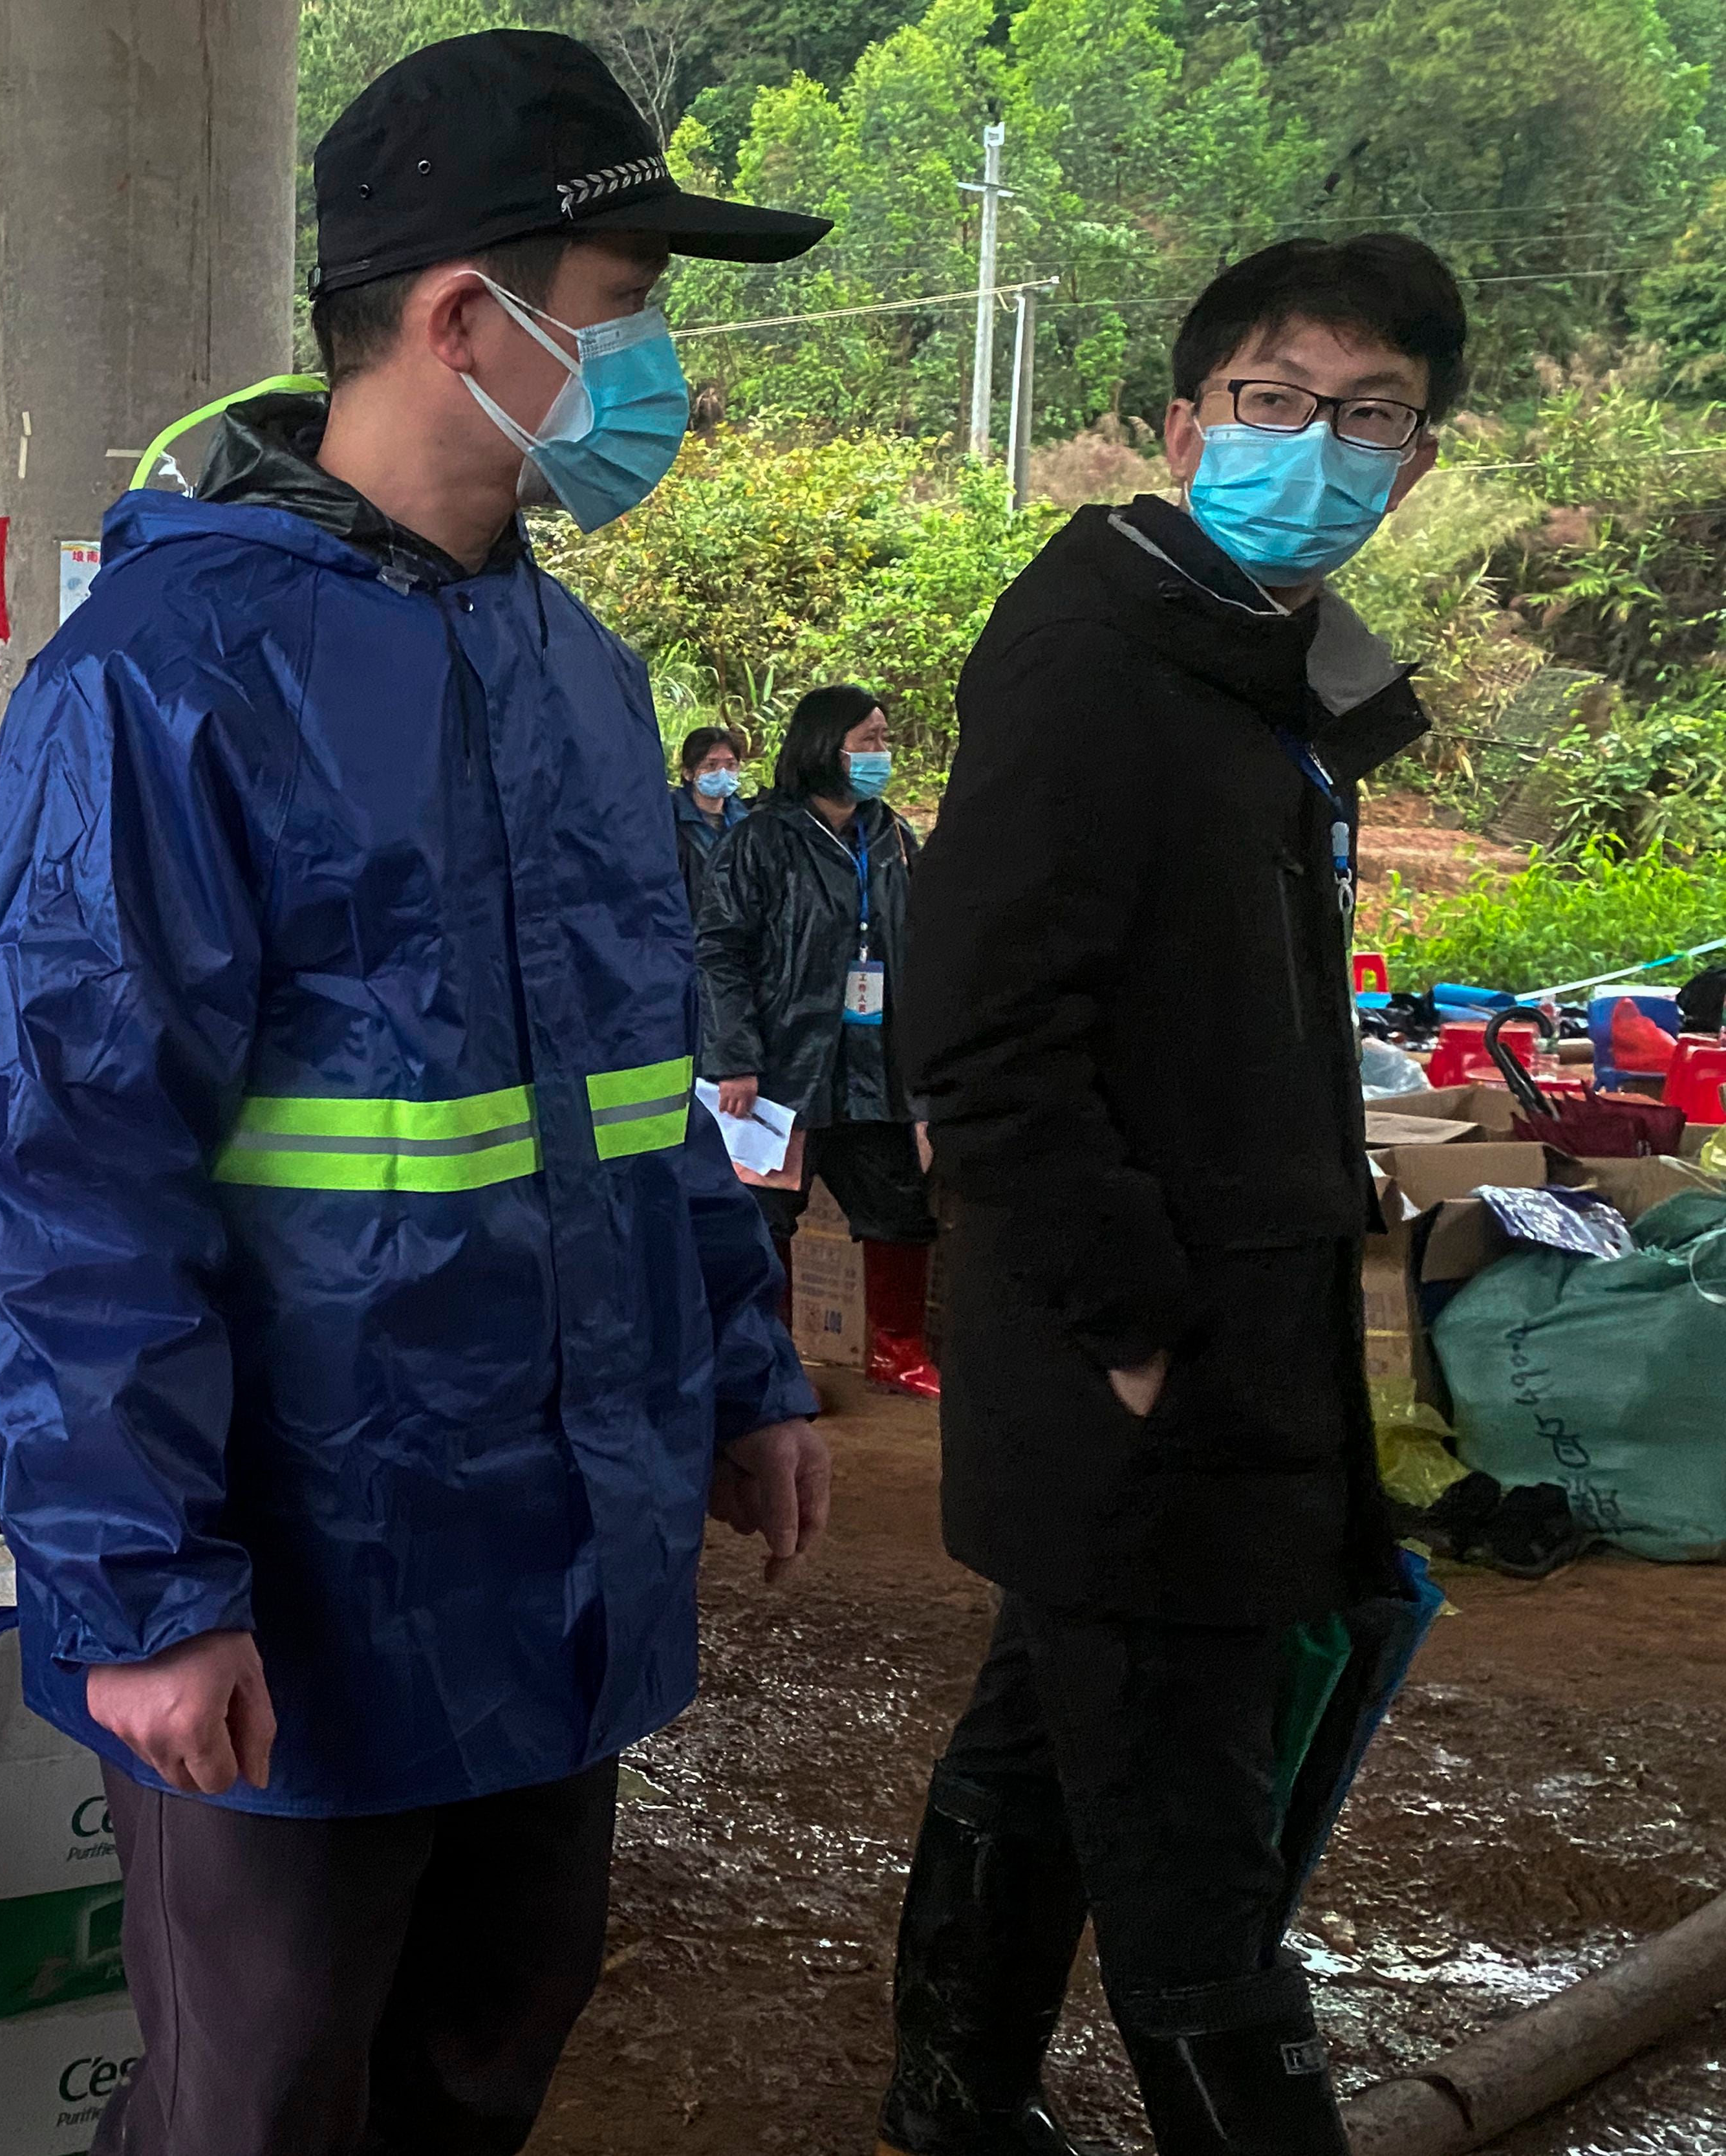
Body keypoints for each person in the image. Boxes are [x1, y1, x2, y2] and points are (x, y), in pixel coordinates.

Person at [0, 32, 834, 2156]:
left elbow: (645, 1083)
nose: (656, 370)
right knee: (260, 2104)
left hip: (560, 1527)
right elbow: (85, 1167)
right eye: (627, 310)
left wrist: (743, 1368)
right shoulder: (165, 678)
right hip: (307, 1562)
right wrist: (152, 1585)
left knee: (485, 2050)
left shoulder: (572, 669)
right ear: (470, 316)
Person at [877, 236, 1463, 2156]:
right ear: (1177, 422)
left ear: (1419, 459)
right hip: (1139, 1361)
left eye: (1366, 416)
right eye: (1273, 402)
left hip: (1222, 1338)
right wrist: (1127, 1329)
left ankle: (947, 2100)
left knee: (1048, 1739)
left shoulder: (1256, 666)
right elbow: (978, 1029)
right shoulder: (1095, 660)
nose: (1316, 447)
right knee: (1199, 1874)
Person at [695, 684, 940, 1395]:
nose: (881, 755)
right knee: (765, 1220)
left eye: (884, 740)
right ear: (823, 746)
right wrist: (733, 1058)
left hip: (872, 1066)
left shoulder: (893, 837)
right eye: (868, 740)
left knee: (898, 1207)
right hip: (781, 1069)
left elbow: (919, 947)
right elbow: (719, 951)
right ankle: (769, 1363)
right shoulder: (761, 838)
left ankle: (897, 1351)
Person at [671, 723, 753, 889]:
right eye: (711, 765)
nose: (722, 773)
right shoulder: (669, 818)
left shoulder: (747, 820)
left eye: (731, 765)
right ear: (688, 772)